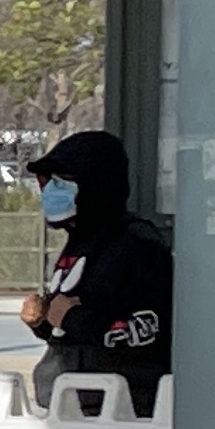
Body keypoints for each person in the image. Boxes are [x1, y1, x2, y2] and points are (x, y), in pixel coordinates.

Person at [21, 127, 170, 412]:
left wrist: (71, 317)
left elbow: (148, 330)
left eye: (63, 182)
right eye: (49, 181)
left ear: (96, 184)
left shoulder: (137, 244)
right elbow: (70, 331)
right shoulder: (80, 241)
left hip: (122, 409)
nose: (50, 191)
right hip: (73, 404)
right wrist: (43, 321)